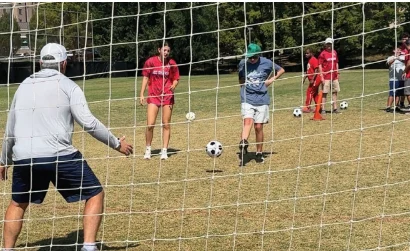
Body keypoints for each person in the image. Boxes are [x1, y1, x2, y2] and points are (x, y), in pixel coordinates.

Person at [0, 43, 133, 251]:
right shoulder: (69, 85)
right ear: (64, 63)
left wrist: (4, 160)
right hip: (59, 156)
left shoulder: (23, 86)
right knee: (95, 193)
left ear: (40, 62)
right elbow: (89, 123)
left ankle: (6, 249)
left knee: (17, 203)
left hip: (25, 158)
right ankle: (89, 247)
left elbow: (10, 129)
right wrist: (117, 143)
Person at [238, 43, 285, 165]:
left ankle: (259, 153)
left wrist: (271, 80)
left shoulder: (267, 63)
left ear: (259, 55)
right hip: (247, 98)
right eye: (250, 57)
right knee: (247, 121)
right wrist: (243, 88)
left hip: (262, 99)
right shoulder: (243, 64)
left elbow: (281, 70)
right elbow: (241, 79)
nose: (251, 59)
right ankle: (243, 142)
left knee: (258, 127)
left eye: (254, 57)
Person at [139, 42, 180, 160]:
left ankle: (164, 151)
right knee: (150, 124)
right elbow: (146, 77)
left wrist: (174, 85)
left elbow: (176, 78)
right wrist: (141, 94)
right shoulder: (150, 62)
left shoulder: (172, 63)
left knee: (166, 124)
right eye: (164, 50)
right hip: (153, 96)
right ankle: (148, 150)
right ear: (159, 50)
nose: (166, 52)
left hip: (167, 96)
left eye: (168, 50)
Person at [318, 37, 341, 114]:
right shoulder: (322, 54)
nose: (329, 45)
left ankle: (335, 108)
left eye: (330, 44)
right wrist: (321, 76)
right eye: (327, 44)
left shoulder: (334, 52)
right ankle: (323, 109)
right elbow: (320, 65)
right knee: (325, 92)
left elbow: (336, 63)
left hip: (334, 76)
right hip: (326, 76)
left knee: (335, 91)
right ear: (325, 44)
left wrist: (337, 73)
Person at [302, 48, 321, 113]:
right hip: (312, 80)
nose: (306, 54)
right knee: (314, 94)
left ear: (311, 53)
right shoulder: (309, 60)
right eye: (305, 53)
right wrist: (304, 78)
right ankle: (318, 107)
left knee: (309, 92)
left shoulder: (314, 60)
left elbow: (316, 70)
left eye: (307, 53)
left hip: (316, 79)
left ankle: (308, 107)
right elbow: (309, 71)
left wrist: (313, 79)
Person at [386, 48, 405, 112]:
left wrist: (399, 58)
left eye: (400, 50)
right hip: (393, 79)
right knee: (392, 93)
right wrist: (395, 58)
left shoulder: (403, 57)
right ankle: (388, 107)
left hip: (401, 79)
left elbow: (406, 61)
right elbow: (389, 63)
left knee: (398, 94)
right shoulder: (390, 57)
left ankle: (396, 106)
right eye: (397, 50)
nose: (399, 51)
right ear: (393, 51)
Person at [399, 32, 410, 108]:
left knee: (407, 92)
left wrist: (404, 71)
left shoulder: (408, 50)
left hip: (408, 73)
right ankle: (401, 103)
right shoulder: (404, 49)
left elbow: (409, 63)